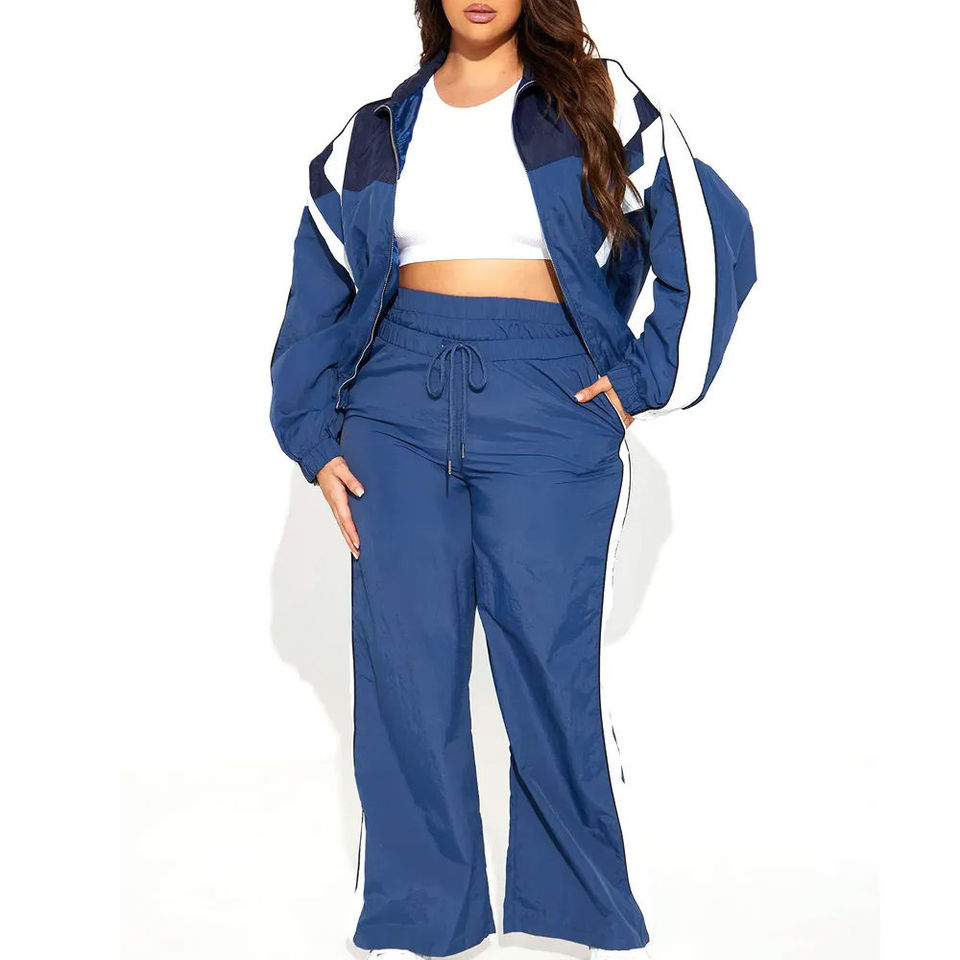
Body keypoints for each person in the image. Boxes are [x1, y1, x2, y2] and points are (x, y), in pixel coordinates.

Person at [269, 1, 756, 957]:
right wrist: (314, 435)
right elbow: (316, 290)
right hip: (395, 407)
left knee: (549, 662)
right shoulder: (373, 133)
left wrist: (643, 379)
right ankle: (423, 919)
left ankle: (573, 917)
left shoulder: (597, 101)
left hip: (548, 398)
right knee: (406, 668)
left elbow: (711, 228)